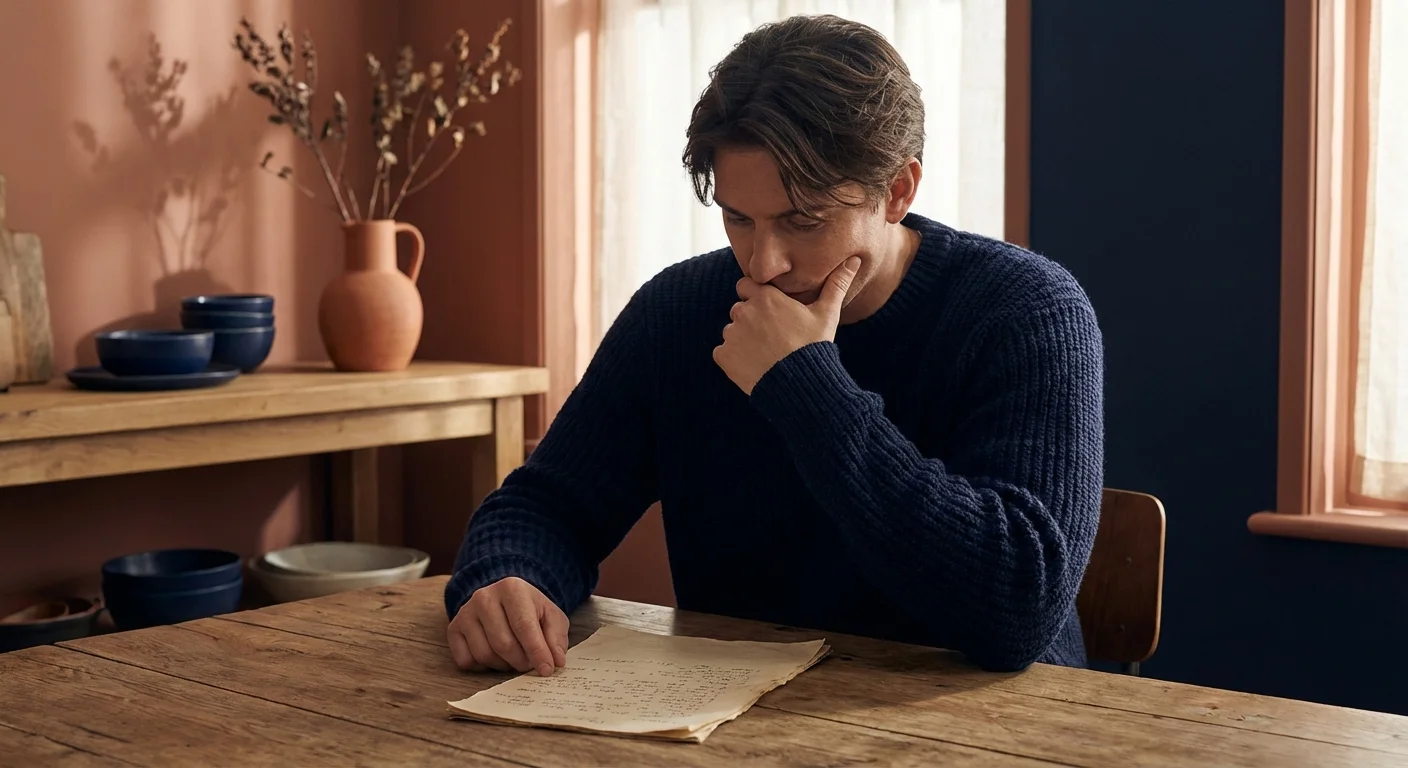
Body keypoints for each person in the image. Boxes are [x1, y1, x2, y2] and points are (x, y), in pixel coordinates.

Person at [443, 13, 1104, 677]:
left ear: (897, 190)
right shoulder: (678, 314)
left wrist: (806, 386)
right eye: (739, 218)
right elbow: (548, 504)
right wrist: (509, 575)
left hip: (989, 727)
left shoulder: (1026, 312)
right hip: (738, 721)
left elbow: (1019, 608)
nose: (763, 263)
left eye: (802, 220)